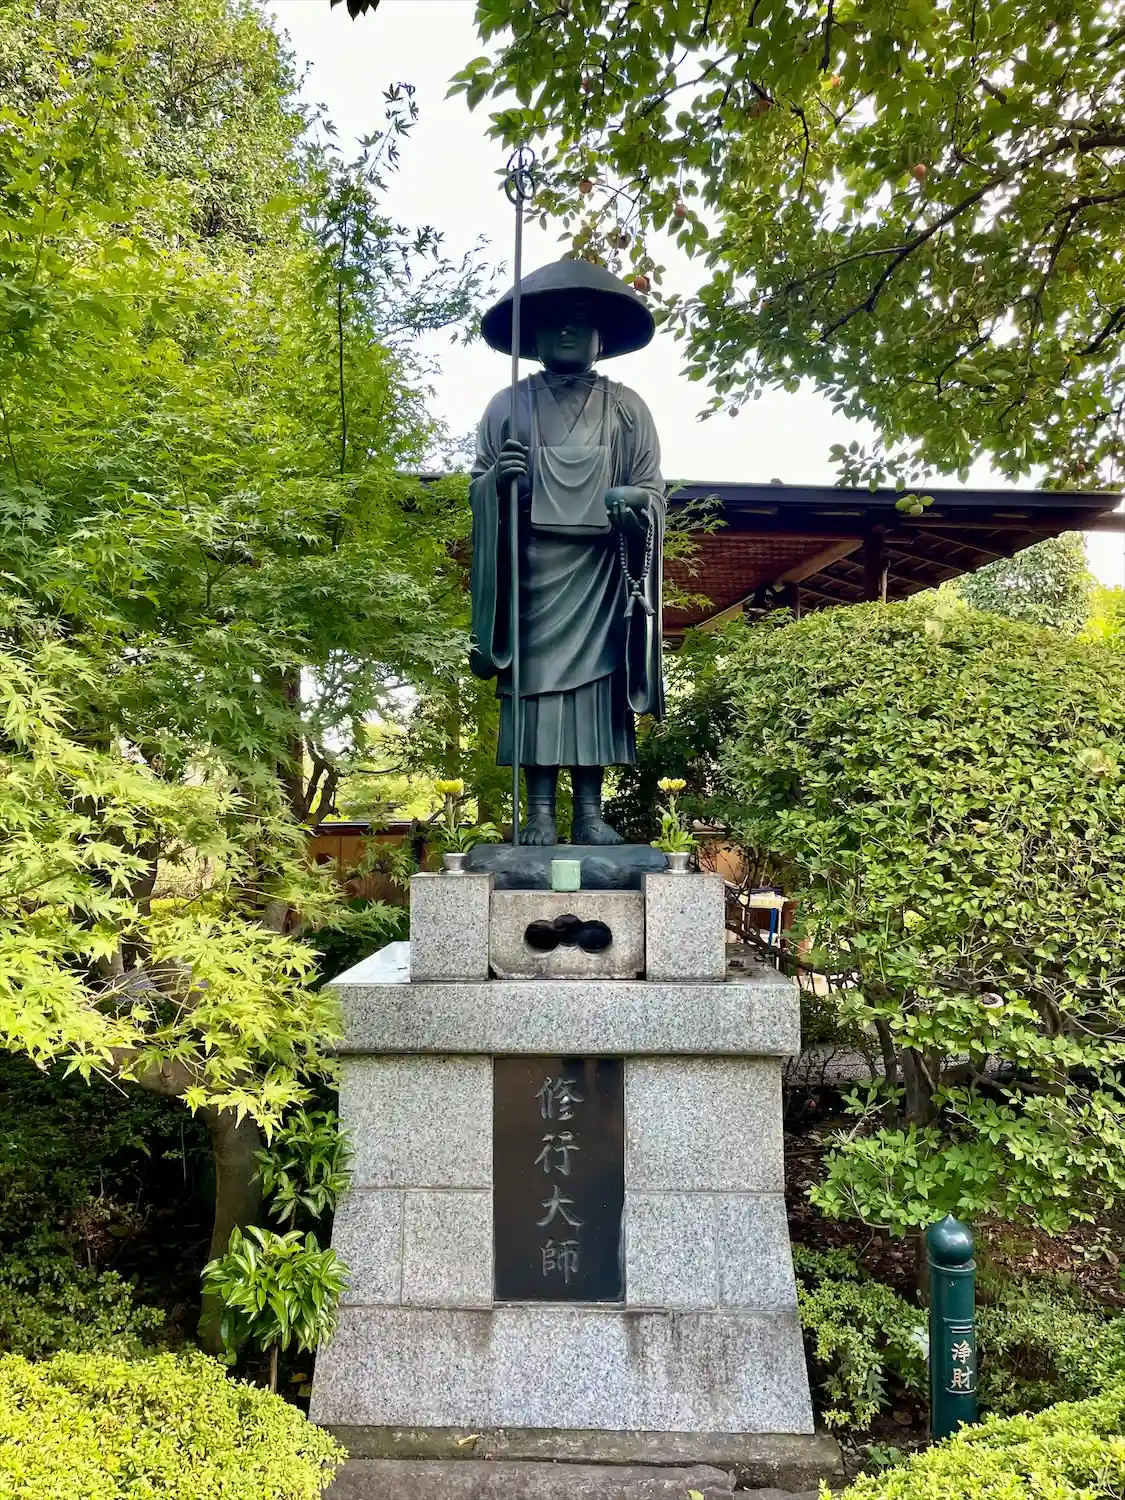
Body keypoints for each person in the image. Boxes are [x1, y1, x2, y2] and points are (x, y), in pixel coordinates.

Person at [469, 258, 665, 846]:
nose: (566, 330)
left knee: (595, 693)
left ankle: (589, 812)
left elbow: (652, 491)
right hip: (532, 572)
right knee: (536, 690)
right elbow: (479, 486)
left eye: (580, 320)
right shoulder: (508, 405)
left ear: (603, 334)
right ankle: (539, 812)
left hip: (602, 571)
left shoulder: (628, 408)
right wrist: (497, 483)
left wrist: (633, 502)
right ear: (532, 334)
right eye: (553, 319)